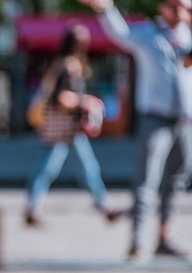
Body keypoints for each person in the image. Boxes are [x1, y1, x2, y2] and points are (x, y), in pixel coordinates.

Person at [80, 0, 192, 259]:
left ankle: (164, 237)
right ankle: (138, 239)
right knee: (147, 180)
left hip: (184, 121)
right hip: (155, 117)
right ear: (162, 7)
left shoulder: (187, 37)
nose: (180, 11)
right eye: (174, 5)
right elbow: (120, 33)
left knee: (176, 181)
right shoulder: (148, 34)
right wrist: (106, 9)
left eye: (185, 6)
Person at [24, 24, 117, 227]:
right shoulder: (69, 66)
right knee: (74, 168)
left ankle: (104, 205)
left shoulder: (60, 64)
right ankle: (104, 206)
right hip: (65, 128)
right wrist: (85, 101)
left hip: (63, 128)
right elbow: (61, 97)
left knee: (65, 168)